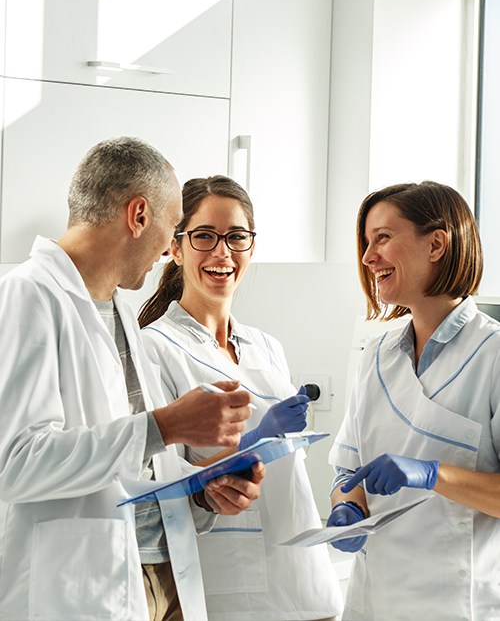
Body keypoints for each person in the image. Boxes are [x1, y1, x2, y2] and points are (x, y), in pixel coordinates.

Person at [0, 138, 265, 621]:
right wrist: (165, 426)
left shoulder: (123, 309)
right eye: (173, 227)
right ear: (138, 215)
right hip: (81, 587)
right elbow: (15, 464)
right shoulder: (28, 297)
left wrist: (203, 490)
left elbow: (133, 467)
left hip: (165, 574)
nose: (170, 248)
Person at [138, 175, 343, 621]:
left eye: (236, 237)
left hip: (303, 573)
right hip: (224, 582)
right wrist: (252, 443)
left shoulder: (267, 346)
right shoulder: (154, 349)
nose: (222, 252)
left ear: (251, 247)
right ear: (176, 247)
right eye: (205, 236)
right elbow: (161, 488)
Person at [327, 181, 500, 620]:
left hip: (460, 606)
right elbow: (349, 466)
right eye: (366, 243)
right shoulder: (376, 356)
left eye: (382, 238)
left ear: (437, 244)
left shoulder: (493, 355)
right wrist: (346, 503)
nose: (368, 258)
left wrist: (431, 474)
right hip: (374, 600)